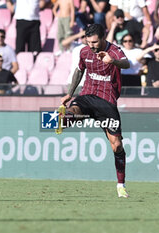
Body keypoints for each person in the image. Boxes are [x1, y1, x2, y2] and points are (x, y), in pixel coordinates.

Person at [60, 24, 131, 198]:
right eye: (88, 41)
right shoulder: (84, 52)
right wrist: (70, 93)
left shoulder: (114, 51)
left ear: (103, 37)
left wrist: (112, 61)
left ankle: (120, 186)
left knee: (117, 146)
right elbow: (79, 70)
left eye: (94, 42)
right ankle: (62, 119)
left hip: (106, 103)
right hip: (87, 96)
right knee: (74, 110)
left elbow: (127, 64)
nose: (91, 45)